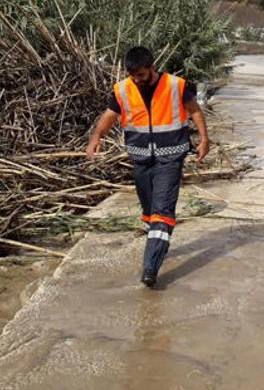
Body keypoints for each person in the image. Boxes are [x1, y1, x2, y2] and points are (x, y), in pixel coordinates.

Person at [86, 46, 210, 287]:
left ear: (152, 67)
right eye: (133, 76)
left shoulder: (176, 85)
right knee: (149, 209)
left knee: (162, 212)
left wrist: (204, 139)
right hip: (141, 157)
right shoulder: (123, 89)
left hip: (171, 156)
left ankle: (150, 268)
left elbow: (194, 111)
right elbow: (111, 114)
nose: (137, 80)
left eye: (141, 76)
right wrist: (96, 137)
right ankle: (155, 238)